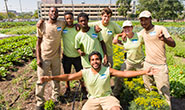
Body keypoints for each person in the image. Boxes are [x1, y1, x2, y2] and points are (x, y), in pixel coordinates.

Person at [40, 51, 158, 110]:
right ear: (90, 62)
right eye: (92, 60)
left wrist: (144, 71)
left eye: (97, 59)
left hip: (107, 97)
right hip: (92, 99)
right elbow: (68, 77)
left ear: (101, 61)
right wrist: (50, 77)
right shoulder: (85, 72)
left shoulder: (107, 70)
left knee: (116, 108)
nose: (95, 62)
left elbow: (124, 73)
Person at [138, 10, 176, 109]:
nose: (143, 22)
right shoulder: (142, 32)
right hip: (147, 64)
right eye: (141, 20)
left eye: (145, 20)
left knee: (164, 93)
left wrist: (165, 39)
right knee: (148, 89)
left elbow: (173, 44)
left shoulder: (160, 29)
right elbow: (132, 41)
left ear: (150, 19)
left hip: (160, 66)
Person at [35, 7, 65, 110]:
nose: (54, 13)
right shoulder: (42, 25)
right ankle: (40, 102)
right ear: (48, 13)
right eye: (52, 11)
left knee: (56, 78)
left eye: (56, 11)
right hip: (44, 58)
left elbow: (71, 23)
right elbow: (38, 43)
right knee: (41, 80)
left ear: (58, 14)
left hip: (56, 57)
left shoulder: (61, 23)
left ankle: (56, 97)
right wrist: (38, 58)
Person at [112, 20, 145, 98]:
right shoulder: (124, 38)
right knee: (119, 76)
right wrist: (117, 35)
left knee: (147, 77)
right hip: (129, 62)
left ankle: (147, 93)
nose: (127, 29)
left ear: (132, 27)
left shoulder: (139, 36)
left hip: (140, 62)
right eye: (125, 28)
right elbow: (114, 42)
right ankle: (115, 93)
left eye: (128, 27)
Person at [62, 12, 86, 97]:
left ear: (73, 19)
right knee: (67, 73)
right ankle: (67, 88)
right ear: (65, 20)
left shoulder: (78, 28)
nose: (69, 20)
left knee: (80, 74)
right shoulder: (63, 28)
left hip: (77, 56)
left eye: (70, 18)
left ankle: (83, 88)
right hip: (66, 56)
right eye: (67, 19)